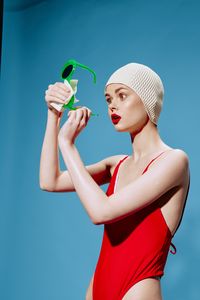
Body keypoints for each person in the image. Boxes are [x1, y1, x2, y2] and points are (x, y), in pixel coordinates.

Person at [39, 62, 190, 300]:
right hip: (97, 286)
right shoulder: (115, 165)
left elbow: (101, 212)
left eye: (122, 95)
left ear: (148, 100)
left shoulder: (174, 161)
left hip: (138, 288)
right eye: (108, 99)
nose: (112, 106)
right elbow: (50, 181)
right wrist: (53, 115)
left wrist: (67, 145)